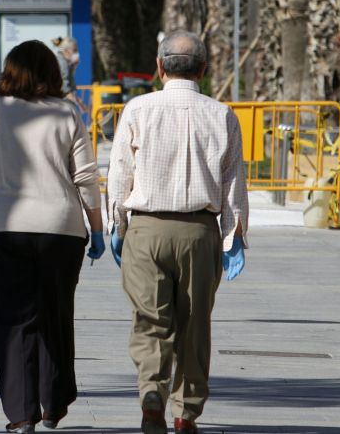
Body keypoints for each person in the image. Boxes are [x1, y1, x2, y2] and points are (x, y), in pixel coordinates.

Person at [0, 40, 104, 434]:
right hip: (61, 228)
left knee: (12, 320)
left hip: (2, 227)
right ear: (52, 72)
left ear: (8, 71)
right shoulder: (67, 111)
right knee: (56, 313)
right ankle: (54, 404)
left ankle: (22, 415)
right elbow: (86, 177)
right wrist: (99, 228)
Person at [107, 30, 248, 434]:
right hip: (200, 231)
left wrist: (118, 225)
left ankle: (152, 395)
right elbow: (233, 184)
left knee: (151, 321)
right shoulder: (222, 115)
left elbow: (120, 175)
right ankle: (185, 412)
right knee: (195, 323)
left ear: (159, 67)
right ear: (203, 70)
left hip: (147, 230)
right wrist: (232, 236)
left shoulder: (137, 109)